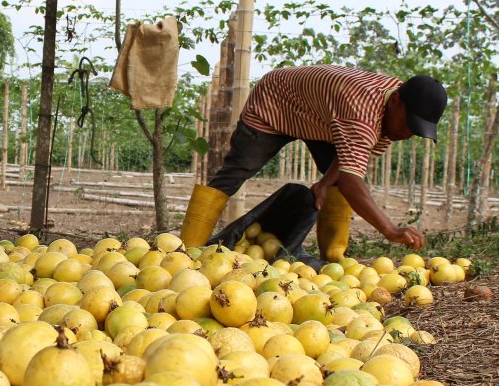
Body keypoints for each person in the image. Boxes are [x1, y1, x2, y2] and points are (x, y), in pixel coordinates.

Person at [179, 64, 448, 260]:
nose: (407, 133)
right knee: (237, 170)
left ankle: (333, 256)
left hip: (320, 121)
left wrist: (324, 183)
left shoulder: (392, 106)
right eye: (408, 124)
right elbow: (352, 180)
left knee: (336, 184)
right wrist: (389, 229)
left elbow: (346, 157)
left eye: (417, 130)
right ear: (396, 100)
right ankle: (186, 249)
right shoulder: (362, 113)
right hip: (275, 102)